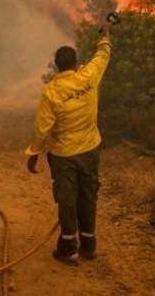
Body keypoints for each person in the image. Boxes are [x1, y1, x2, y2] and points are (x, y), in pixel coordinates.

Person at [25, 22, 112, 265]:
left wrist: (34, 155)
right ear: (75, 63)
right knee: (88, 196)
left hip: (63, 156)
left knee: (67, 199)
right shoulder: (88, 76)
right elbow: (103, 55)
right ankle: (89, 246)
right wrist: (106, 34)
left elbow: (42, 129)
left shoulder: (51, 92)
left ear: (57, 66)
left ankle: (68, 249)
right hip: (90, 150)